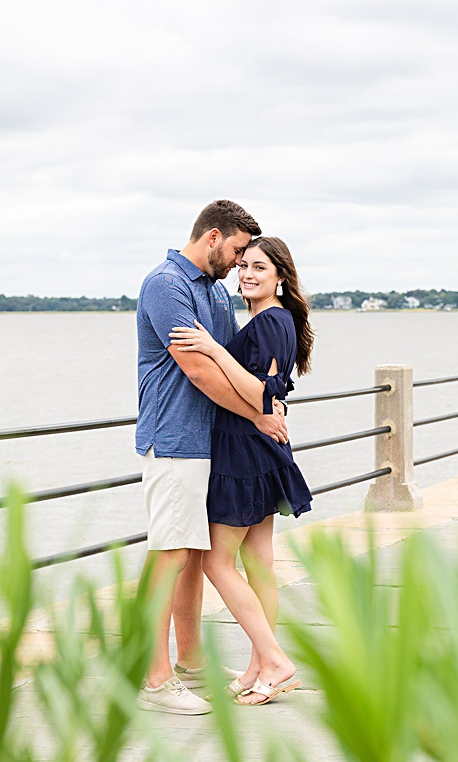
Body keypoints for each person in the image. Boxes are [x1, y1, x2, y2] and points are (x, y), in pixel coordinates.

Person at [134, 201, 287, 715]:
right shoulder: (166, 284)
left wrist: (262, 403)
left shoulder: (214, 293)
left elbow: (235, 364)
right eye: (239, 251)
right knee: (171, 553)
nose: (240, 263)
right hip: (175, 439)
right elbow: (200, 370)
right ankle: (154, 680)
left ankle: (191, 663)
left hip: (213, 444)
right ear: (214, 236)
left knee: (195, 556)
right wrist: (261, 413)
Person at [169, 236, 314, 706]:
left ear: (281, 277)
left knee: (216, 561)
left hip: (243, 452)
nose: (247, 274)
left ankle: (274, 662)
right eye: (244, 266)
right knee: (259, 562)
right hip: (257, 450)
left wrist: (212, 347)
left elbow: (263, 396)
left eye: (259, 268)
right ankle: (260, 668)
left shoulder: (271, 321)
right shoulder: (275, 319)